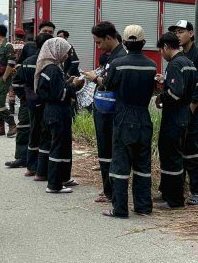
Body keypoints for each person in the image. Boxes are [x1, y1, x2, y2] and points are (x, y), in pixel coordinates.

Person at [99, 25, 158, 219]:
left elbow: (108, 85)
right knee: (142, 165)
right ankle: (143, 207)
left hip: (124, 116)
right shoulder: (152, 66)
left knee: (120, 165)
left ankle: (120, 208)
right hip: (143, 117)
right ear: (143, 43)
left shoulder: (118, 64)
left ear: (124, 42)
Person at [82, 21, 128, 203]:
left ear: (109, 38)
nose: (98, 46)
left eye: (99, 42)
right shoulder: (112, 56)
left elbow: (111, 83)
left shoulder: (119, 58)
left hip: (111, 113)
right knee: (105, 151)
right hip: (104, 111)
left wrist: (96, 78)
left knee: (109, 151)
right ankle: (108, 189)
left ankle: (110, 191)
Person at [35, 37, 85, 194]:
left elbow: (50, 90)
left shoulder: (48, 68)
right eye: (65, 52)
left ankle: (63, 177)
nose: (67, 56)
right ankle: (55, 184)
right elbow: (60, 93)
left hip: (51, 111)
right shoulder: (53, 69)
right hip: (57, 112)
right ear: (56, 51)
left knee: (63, 144)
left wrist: (67, 83)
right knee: (58, 146)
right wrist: (74, 85)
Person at [169, 20, 198, 206]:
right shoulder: (177, 56)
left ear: (191, 34)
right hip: (178, 112)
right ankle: (177, 189)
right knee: (179, 149)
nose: (178, 35)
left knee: (193, 150)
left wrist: (190, 111)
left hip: (191, 112)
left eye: (181, 31)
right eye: (175, 32)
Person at [154, 31, 196, 209]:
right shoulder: (188, 63)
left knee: (171, 157)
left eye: (160, 51)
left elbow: (175, 93)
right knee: (174, 155)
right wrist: (166, 81)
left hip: (173, 117)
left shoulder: (175, 64)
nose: (161, 55)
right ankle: (167, 193)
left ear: (165, 47)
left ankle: (174, 199)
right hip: (184, 115)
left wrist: (161, 98)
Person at [24, 32, 54, 179]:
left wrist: (26, 97)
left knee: (33, 132)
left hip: (31, 102)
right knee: (45, 135)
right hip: (44, 103)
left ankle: (31, 167)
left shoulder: (27, 61)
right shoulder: (47, 64)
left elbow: (17, 82)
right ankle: (41, 169)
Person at [6, 29, 29, 168]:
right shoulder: (26, 45)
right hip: (25, 75)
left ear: (15, 35)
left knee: (12, 92)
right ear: (24, 35)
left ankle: (12, 108)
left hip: (14, 72)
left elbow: (8, 60)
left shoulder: (11, 45)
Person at [0, 24, 17, 137]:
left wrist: (5, 77)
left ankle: (12, 125)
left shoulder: (7, 45)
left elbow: (11, 62)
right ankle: (0, 128)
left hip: (3, 78)